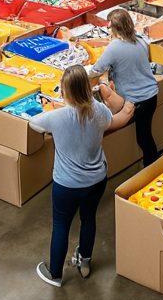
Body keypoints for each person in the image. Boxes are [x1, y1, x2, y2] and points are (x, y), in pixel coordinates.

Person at [30, 65, 133, 286]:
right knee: (88, 219)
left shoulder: (56, 117)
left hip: (66, 184)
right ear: (87, 87)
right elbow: (111, 120)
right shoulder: (100, 111)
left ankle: (55, 274)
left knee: (61, 226)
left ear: (65, 91)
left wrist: (53, 107)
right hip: (96, 180)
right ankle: (84, 261)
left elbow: (33, 123)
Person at [89, 9, 159, 168]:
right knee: (145, 135)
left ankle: (152, 170)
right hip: (151, 96)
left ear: (113, 28)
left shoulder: (115, 47)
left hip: (137, 101)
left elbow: (96, 70)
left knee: (144, 139)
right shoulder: (141, 40)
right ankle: (152, 166)